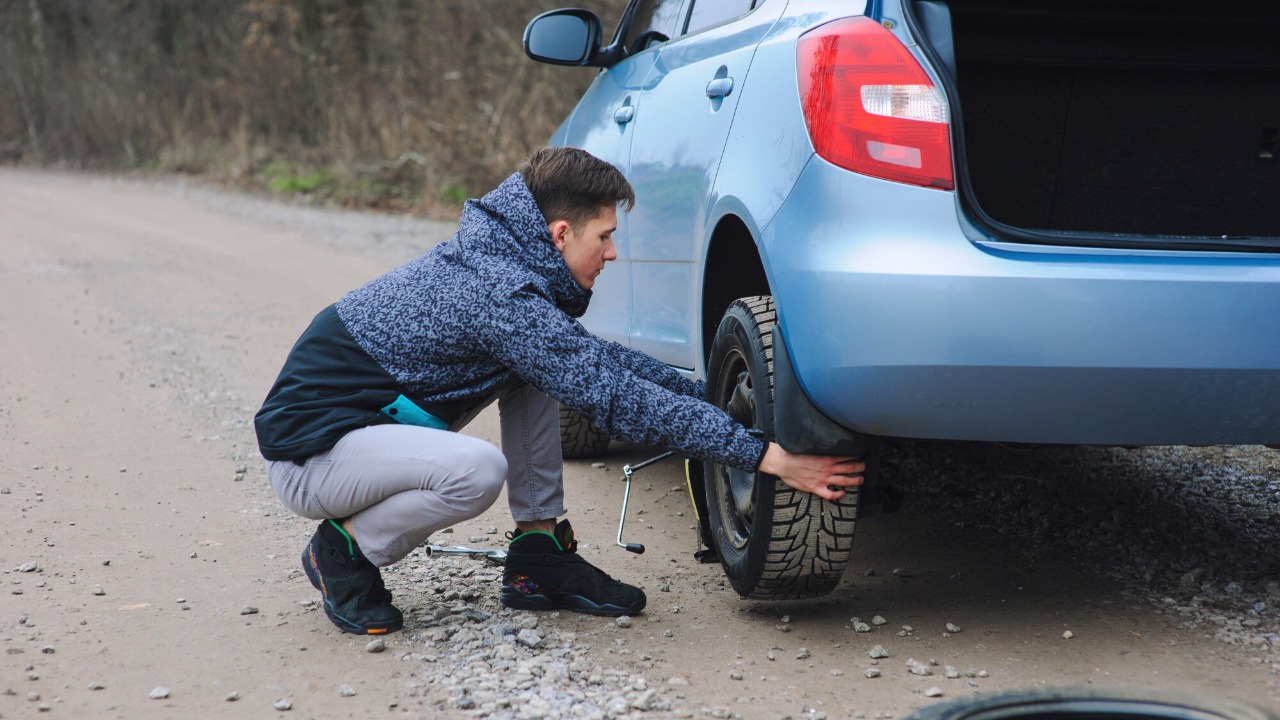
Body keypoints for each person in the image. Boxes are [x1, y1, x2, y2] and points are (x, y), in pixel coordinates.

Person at [254, 147, 864, 635]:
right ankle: (342, 550)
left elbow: (592, 360)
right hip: (312, 455)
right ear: (561, 232)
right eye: (604, 236)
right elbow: (611, 397)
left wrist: (709, 395)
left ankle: (538, 553)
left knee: (544, 366)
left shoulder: (508, 270)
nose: (614, 251)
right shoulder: (501, 292)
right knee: (475, 472)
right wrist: (766, 456)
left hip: (363, 433)